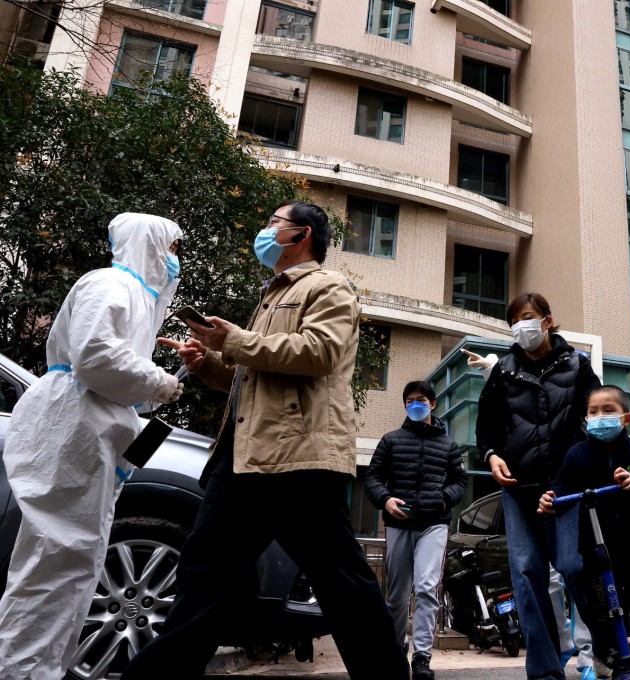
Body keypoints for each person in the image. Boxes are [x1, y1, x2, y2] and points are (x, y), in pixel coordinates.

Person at [121, 200, 410, 679]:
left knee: (343, 585)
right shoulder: (270, 297)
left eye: (274, 223)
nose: (265, 230)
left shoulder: (328, 286)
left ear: (303, 235)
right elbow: (256, 380)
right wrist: (208, 364)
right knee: (203, 576)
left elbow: (319, 353)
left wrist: (232, 342)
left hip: (299, 460)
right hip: (244, 459)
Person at [0, 213, 184, 678]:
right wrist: (158, 381)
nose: (174, 260)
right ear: (149, 243)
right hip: (73, 433)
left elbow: (119, 379)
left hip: (86, 436)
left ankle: (40, 669)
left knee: (74, 565)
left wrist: (163, 382)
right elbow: (94, 356)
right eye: (172, 248)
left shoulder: (135, 298)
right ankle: (20, 671)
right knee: (54, 563)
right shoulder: (109, 284)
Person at [473, 292, 602, 680]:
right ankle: (545, 670)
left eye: (527, 317)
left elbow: (598, 413)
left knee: (573, 566)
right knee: (527, 574)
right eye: (514, 322)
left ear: (547, 320)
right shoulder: (504, 371)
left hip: (566, 487)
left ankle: (605, 649)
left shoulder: (576, 364)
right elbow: (486, 425)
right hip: (519, 488)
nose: (520, 327)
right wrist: (491, 455)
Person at [539, 385, 630, 680]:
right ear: (586, 417)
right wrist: (551, 500)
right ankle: (616, 661)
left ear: (625, 418)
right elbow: (562, 487)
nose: (600, 416)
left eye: (608, 410)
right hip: (594, 548)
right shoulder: (578, 454)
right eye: (593, 412)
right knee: (602, 609)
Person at [364, 380, 467, 680]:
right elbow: (372, 478)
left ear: (432, 404)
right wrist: (385, 500)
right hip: (399, 523)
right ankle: (397, 650)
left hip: (434, 524)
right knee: (397, 595)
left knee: (426, 588)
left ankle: (422, 657)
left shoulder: (448, 445)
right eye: (409, 401)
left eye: (421, 400)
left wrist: (444, 499)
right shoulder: (390, 440)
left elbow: (459, 483)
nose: (415, 405)